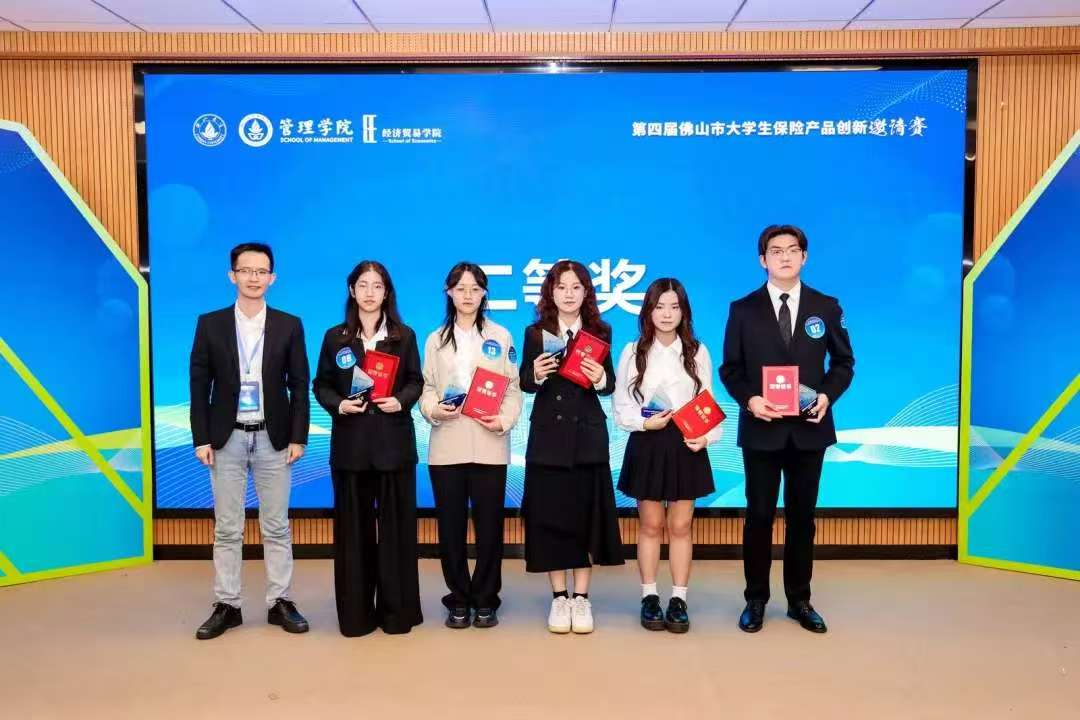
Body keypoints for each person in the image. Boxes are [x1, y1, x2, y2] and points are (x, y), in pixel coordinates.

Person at [719, 224, 855, 635]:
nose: (784, 256)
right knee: (759, 515)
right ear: (762, 259)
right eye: (775, 251)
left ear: (804, 257)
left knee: (802, 517)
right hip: (762, 428)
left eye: (792, 250)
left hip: (809, 429)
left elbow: (844, 363)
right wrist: (750, 400)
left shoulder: (826, 306)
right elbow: (731, 370)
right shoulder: (742, 309)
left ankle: (799, 599)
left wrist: (827, 396)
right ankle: (756, 599)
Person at [189, 242, 310, 640]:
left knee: (276, 526)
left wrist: (298, 437)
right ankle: (228, 604)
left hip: (274, 438)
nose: (254, 278)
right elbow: (199, 386)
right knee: (227, 528)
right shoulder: (210, 324)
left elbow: (299, 385)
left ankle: (280, 602)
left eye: (261, 272)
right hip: (226, 439)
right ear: (233, 275)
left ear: (272, 278)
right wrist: (201, 438)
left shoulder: (289, 325)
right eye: (246, 270)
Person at [312, 260, 424, 637]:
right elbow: (321, 385)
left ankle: (397, 614)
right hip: (352, 448)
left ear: (387, 292)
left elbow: (415, 381)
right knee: (353, 535)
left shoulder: (403, 336)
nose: (370, 292)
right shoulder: (336, 337)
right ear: (352, 290)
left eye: (377, 286)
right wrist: (339, 404)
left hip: (394, 447)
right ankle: (356, 616)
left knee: (397, 534)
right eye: (363, 285)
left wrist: (401, 400)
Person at [519, 260, 624, 635]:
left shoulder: (600, 331)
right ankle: (559, 597)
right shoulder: (536, 332)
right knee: (551, 517)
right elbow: (524, 382)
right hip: (548, 436)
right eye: (561, 287)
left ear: (586, 293)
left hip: (587, 437)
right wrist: (536, 373)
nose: (568, 294)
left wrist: (600, 378)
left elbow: (610, 385)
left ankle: (581, 597)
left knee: (583, 516)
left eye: (576, 287)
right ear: (550, 292)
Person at [614, 278, 722, 634]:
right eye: (659, 306)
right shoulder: (633, 351)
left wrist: (706, 437)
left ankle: (678, 599)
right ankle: (649, 596)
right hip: (648, 441)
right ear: (648, 311)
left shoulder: (697, 351)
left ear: (684, 312)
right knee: (650, 525)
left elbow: (708, 402)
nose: (666, 314)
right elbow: (621, 407)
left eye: (674, 307)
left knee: (680, 526)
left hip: (687, 442)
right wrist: (645, 423)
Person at [419, 262, 522, 629]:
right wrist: (434, 410)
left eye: (475, 289)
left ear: (484, 294)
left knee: (490, 528)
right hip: (447, 445)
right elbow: (426, 388)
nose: (467, 295)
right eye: (460, 288)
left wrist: (504, 421)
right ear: (449, 292)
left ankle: (486, 598)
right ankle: (459, 598)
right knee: (450, 529)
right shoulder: (435, 339)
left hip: (489, 443)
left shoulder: (501, 335)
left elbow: (513, 389)